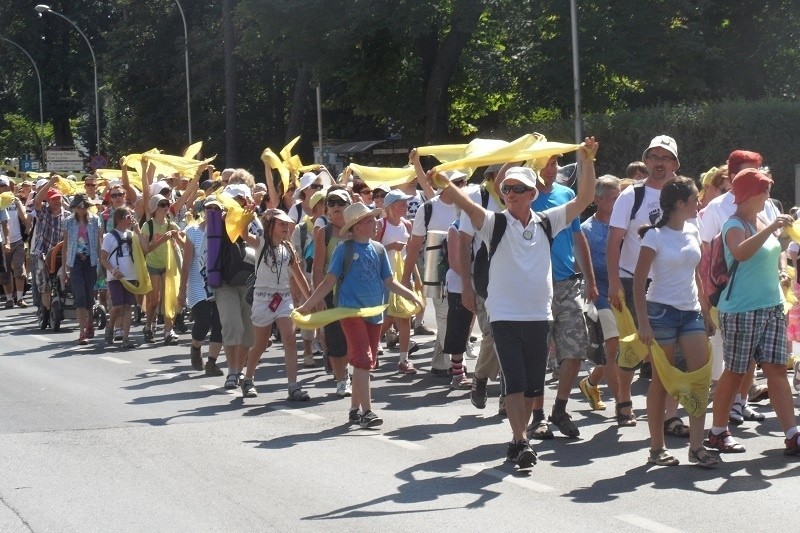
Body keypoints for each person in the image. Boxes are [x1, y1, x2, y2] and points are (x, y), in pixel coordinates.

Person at [433, 137, 598, 469]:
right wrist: (442, 180)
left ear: (531, 195)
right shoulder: (494, 222)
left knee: (534, 382)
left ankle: (519, 437)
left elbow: (586, 198)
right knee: (516, 381)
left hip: (538, 315)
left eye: (517, 189)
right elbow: (463, 203)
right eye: (505, 189)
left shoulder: (548, 221)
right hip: (504, 315)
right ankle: (521, 439)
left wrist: (588, 159)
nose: (509, 193)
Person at [297, 203, 424, 428]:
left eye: (374, 219)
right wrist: (308, 306)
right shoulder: (343, 250)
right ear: (355, 227)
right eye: (368, 220)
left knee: (364, 363)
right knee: (364, 361)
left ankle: (354, 410)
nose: (374, 223)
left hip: (375, 313)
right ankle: (367, 412)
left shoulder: (378, 249)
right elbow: (329, 281)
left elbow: (389, 281)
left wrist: (411, 295)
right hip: (350, 312)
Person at [705, 168, 800, 456]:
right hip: (741, 309)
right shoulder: (733, 224)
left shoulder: (761, 217)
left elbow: (776, 251)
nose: (768, 195)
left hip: (770, 305)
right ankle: (718, 432)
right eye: (764, 190)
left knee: (776, 370)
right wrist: (772, 229)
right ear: (749, 194)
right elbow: (741, 253)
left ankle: (792, 434)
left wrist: (782, 271)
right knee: (734, 372)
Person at [632, 176, 717, 467]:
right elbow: (639, 282)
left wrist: (705, 312)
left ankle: (697, 446)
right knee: (662, 383)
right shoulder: (654, 236)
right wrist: (643, 323)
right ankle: (657, 449)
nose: (699, 203)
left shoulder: (694, 229)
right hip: (660, 313)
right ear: (680, 204)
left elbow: (695, 275)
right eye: (695, 199)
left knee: (699, 379)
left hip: (690, 312)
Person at [607, 135, 686, 436]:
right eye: (654, 156)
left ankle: (670, 415)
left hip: (669, 282)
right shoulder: (632, 196)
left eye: (666, 157)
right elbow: (615, 240)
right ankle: (624, 399)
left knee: (670, 353)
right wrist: (614, 282)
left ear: (675, 164)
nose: (659, 163)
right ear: (646, 160)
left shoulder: (682, 193)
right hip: (631, 279)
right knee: (634, 348)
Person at [698, 150, 779, 424]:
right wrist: (705, 297)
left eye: (757, 170)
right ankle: (721, 421)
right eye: (747, 171)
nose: (755, 176)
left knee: (757, 361)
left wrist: (780, 273)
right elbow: (706, 254)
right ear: (733, 177)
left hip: (766, 297)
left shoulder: (766, 205)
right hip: (732, 298)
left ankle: (740, 404)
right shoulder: (717, 209)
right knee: (733, 362)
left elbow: (773, 246)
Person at [528, 154, 598, 440]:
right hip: (535, 287)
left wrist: (590, 279)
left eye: (555, 163)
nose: (552, 168)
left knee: (575, 349)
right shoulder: (522, 196)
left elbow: (577, 236)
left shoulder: (566, 194)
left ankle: (560, 408)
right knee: (536, 354)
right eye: (546, 163)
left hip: (567, 284)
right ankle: (537, 416)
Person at [241, 209, 312, 400]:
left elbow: (298, 275)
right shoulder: (261, 243)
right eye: (282, 224)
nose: (286, 228)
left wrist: (311, 299)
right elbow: (243, 235)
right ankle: (248, 378)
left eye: (287, 224)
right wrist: (246, 218)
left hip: (284, 299)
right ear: (271, 225)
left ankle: (293, 386)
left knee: (289, 338)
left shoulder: (288, 248)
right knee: (261, 344)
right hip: (263, 299)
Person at [579, 175, 632, 426]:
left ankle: (590, 383)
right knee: (612, 346)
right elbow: (581, 263)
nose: (618, 201)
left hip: (628, 291)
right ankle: (623, 402)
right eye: (613, 198)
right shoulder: (587, 230)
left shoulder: (629, 223)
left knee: (625, 350)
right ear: (598, 200)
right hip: (600, 293)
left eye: (620, 196)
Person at [458, 165, 505, 412]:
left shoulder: (526, 194)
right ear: (492, 176)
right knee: (495, 335)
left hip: (518, 281)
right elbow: (463, 240)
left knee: (513, 337)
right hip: (486, 280)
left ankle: (508, 398)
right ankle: (481, 377)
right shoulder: (479, 197)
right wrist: (466, 284)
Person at [178, 195, 225, 376]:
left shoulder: (224, 231)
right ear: (203, 211)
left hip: (218, 283)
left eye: (216, 209)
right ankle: (196, 346)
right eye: (209, 209)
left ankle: (211, 362)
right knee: (203, 320)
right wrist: (181, 292)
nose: (212, 212)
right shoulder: (193, 231)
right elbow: (187, 262)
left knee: (219, 324)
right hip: (198, 284)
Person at [377, 189, 420, 374]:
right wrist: (390, 247)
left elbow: (411, 254)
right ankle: (371, 347)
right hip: (385, 278)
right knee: (387, 318)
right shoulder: (381, 225)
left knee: (404, 317)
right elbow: (373, 251)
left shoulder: (407, 225)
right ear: (393, 207)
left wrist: (416, 277)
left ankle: (403, 360)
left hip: (403, 277)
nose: (407, 206)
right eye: (403, 204)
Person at [141, 194, 182, 344]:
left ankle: (168, 330)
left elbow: (183, 240)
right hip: (153, 265)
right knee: (154, 301)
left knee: (168, 299)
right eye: (162, 205)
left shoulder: (171, 224)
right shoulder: (148, 226)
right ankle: (148, 326)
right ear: (155, 208)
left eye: (167, 204)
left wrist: (178, 238)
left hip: (168, 265)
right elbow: (146, 249)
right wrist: (163, 239)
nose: (165, 208)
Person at [62, 194, 103, 345]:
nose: (82, 209)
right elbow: (65, 244)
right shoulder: (69, 221)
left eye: (84, 206)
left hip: (91, 261)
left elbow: (99, 242)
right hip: (75, 261)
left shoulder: (95, 220)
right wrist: (65, 266)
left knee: (89, 296)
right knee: (79, 296)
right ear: (74, 207)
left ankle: (90, 323)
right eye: (79, 206)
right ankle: (82, 332)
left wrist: (102, 263)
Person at [100, 207, 142, 350]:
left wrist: (137, 230)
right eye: (128, 217)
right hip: (116, 277)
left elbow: (144, 247)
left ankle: (126, 338)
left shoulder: (132, 235)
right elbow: (103, 258)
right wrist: (113, 270)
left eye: (131, 216)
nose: (131, 219)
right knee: (117, 306)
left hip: (131, 275)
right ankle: (110, 326)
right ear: (119, 219)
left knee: (127, 306)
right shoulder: (109, 237)